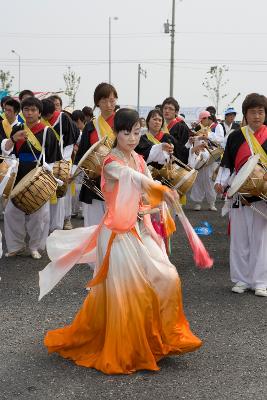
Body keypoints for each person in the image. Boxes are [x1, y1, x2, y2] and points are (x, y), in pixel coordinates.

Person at [39, 108, 202, 374]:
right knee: (129, 291)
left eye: (137, 132)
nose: (132, 137)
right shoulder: (110, 161)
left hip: (138, 227)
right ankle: (127, 347)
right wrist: (158, 188)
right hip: (115, 233)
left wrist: (162, 198)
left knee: (167, 276)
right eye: (127, 132)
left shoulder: (138, 158)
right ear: (116, 133)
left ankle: (161, 338)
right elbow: (131, 178)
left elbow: (146, 187)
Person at [215, 93, 267, 297]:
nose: (257, 115)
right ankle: (240, 279)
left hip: (262, 196)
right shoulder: (236, 136)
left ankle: (261, 281)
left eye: (261, 111)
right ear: (245, 114)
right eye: (253, 112)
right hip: (239, 194)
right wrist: (221, 182)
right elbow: (226, 164)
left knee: (262, 239)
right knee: (239, 238)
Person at [2, 97, 61, 259]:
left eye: (33, 110)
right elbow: (7, 151)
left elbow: (54, 158)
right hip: (18, 175)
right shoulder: (18, 128)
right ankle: (16, 246)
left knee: (39, 216)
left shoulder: (47, 132)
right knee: (11, 213)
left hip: (38, 176)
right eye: (26, 109)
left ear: (39, 113)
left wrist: (46, 174)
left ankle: (34, 246)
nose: (29, 113)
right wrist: (13, 139)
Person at [74, 82, 118, 227]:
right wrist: (75, 172)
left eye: (112, 100)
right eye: (104, 100)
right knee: (93, 226)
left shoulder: (122, 123)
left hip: (117, 178)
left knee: (116, 226)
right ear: (97, 102)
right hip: (94, 180)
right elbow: (82, 153)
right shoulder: (91, 126)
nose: (108, 104)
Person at [41, 99, 77, 231]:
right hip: (46, 162)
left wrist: (63, 162)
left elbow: (70, 141)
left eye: (48, 115)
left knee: (61, 195)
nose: (45, 118)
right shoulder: (40, 121)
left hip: (63, 160)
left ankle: (60, 223)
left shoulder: (63, 119)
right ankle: (47, 225)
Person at [189, 111, 217, 211]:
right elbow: (192, 141)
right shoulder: (196, 128)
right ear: (203, 119)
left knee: (210, 181)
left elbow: (216, 141)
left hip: (209, 159)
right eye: (207, 118)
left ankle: (212, 203)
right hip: (198, 158)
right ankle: (197, 203)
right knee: (198, 181)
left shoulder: (209, 130)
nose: (209, 120)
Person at [162, 97, 191, 164]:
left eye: (170, 109)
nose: (167, 111)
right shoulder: (160, 127)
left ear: (176, 112)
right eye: (165, 108)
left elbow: (183, 149)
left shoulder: (181, 127)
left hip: (176, 164)